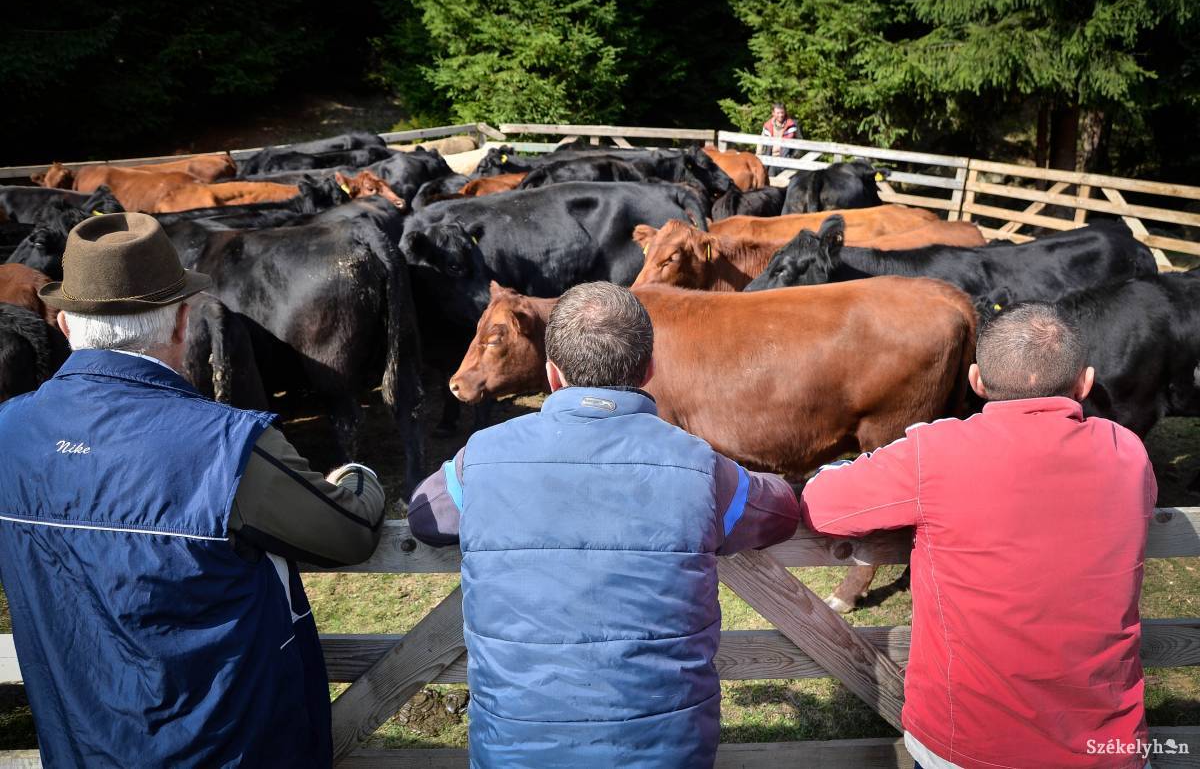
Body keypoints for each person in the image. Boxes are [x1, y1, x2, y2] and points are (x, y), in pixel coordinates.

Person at [0, 212, 387, 769]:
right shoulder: (225, 447)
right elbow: (348, 533)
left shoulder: (11, 432)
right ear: (184, 322)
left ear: (64, 325)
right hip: (230, 748)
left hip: (81, 748)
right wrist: (357, 476)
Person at [409, 281, 801, 768]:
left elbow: (424, 514)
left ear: (552, 373)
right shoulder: (700, 467)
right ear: (650, 369)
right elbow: (780, 510)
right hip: (663, 751)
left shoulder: (482, 458)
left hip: (516, 750)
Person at [802, 303, 1156, 769]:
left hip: (969, 743)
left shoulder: (937, 452)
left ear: (976, 381)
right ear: (1085, 383)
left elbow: (822, 505)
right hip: (1108, 746)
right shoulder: (1127, 451)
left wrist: (840, 466)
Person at [757, 102, 800, 176]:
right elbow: (761, 143)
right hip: (772, 160)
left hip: (788, 160)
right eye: (778, 113)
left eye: (782, 112)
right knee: (771, 180)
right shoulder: (767, 126)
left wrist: (794, 157)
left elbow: (800, 142)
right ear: (773, 113)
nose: (780, 115)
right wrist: (759, 156)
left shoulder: (792, 125)